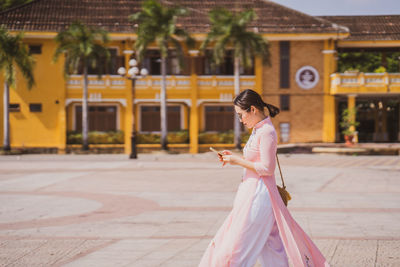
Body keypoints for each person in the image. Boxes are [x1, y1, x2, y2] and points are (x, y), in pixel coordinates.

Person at [199, 89, 329, 267]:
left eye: (241, 115)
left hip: (259, 196)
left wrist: (237, 161)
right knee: (272, 247)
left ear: (252, 109)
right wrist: (235, 157)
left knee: (240, 246)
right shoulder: (258, 130)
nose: (240, 120)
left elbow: (267, 169)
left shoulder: (266, 131)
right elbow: (257, 161)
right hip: (252, 192)